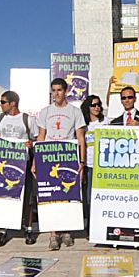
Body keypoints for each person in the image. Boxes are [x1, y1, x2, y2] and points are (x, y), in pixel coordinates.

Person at [36, 78, 87, 250]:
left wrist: (81, 161)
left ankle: (67, 231)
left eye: (59, 90)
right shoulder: (45, 112)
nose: (56, 94)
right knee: (51, 196)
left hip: (69, 156)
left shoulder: (75, 111)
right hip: (49, 157)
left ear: (65, 91)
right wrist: (36, 161)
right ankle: (53, 234)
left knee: (68, 194)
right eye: (53, 90)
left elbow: (80, 138)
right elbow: (41, 137)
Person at [0, 91, 38, 247]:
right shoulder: (0, 118)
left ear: (13, 103)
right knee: (5, 197)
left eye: (3, 102)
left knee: (27, 199)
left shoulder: (28, 119)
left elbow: (36, 139)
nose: (1, 104)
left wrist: (31, 145)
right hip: (5, 163)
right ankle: (3, 231)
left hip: (23, 162)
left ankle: (29, 228)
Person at [80, 94, 106, 233]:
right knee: (90, 198)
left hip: (104, 166)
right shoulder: (84, 126)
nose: (97, 107)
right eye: (94, 105)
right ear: (87, 107)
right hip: (89, 165)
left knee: (103, 197)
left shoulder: (106, 121)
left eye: (99, 105)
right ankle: (90, 224)